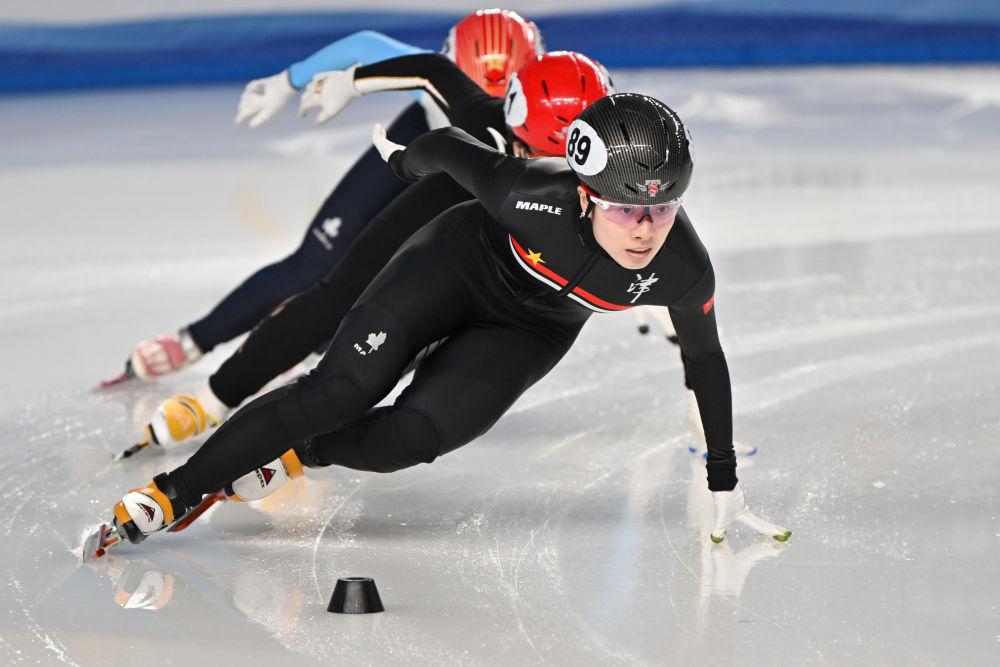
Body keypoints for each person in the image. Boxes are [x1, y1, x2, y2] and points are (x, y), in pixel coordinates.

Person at [92, 93, 789, 558]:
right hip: (459, 262)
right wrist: (399, 160)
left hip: (532, 329)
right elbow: (451, 148)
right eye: (626, 210)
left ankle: (300, 453)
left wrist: (722, 477)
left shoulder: (684, 271)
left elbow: (706, 363)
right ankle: (175, 489)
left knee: (410, 438)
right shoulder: (532, 195)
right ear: (584, 192)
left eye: (663, 211)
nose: (645, 230)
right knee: (342, 387)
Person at [134, 50, 611, 454]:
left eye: (565, 166)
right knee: (335, 297)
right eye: (529, 151)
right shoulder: (484, 120)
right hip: (444, 215)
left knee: (426, 350)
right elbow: (433, 69)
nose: (542, 172)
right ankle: (215, 396)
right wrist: (350, 81)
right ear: (511, 118)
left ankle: (309, 440)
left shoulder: (609, 178)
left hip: (508, 268)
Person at [111, 9, 542, 384]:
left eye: (501, 106)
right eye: (470, 95)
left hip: (470, 177)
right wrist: (288, 80)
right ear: (450, 66)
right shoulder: (431, 75)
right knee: (314, 262)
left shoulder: (538, 111)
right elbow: (365, 45)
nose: (479, 110)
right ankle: (195, 339)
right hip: (412, 144)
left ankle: (317, 361)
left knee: (403, 283)